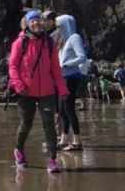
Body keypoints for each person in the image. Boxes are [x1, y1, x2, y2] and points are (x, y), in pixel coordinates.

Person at [8, 9, 68, 172]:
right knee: (26, 124)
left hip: (47, 91)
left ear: (42, 23)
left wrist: (62, 88)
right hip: (25, 92)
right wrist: (19, 85)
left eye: (38, 20)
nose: (36, 23)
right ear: (27, 24)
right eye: (32, 20)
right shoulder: (20, 43)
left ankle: (52, 160)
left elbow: (56, 69)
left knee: (49, 125)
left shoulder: (49, 43)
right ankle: (19, 150)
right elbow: (12, 67)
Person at [54, 14, 88, 151]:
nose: (58, 29)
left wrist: (67, 64)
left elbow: (82, 57)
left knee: (69, 109)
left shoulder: (74, 38)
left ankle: (77, 141)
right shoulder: (63, 39)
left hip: (71, 77)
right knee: (62, 110)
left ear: (66, 25)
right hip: (61, 78)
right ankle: (63, 139)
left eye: (60, 26)